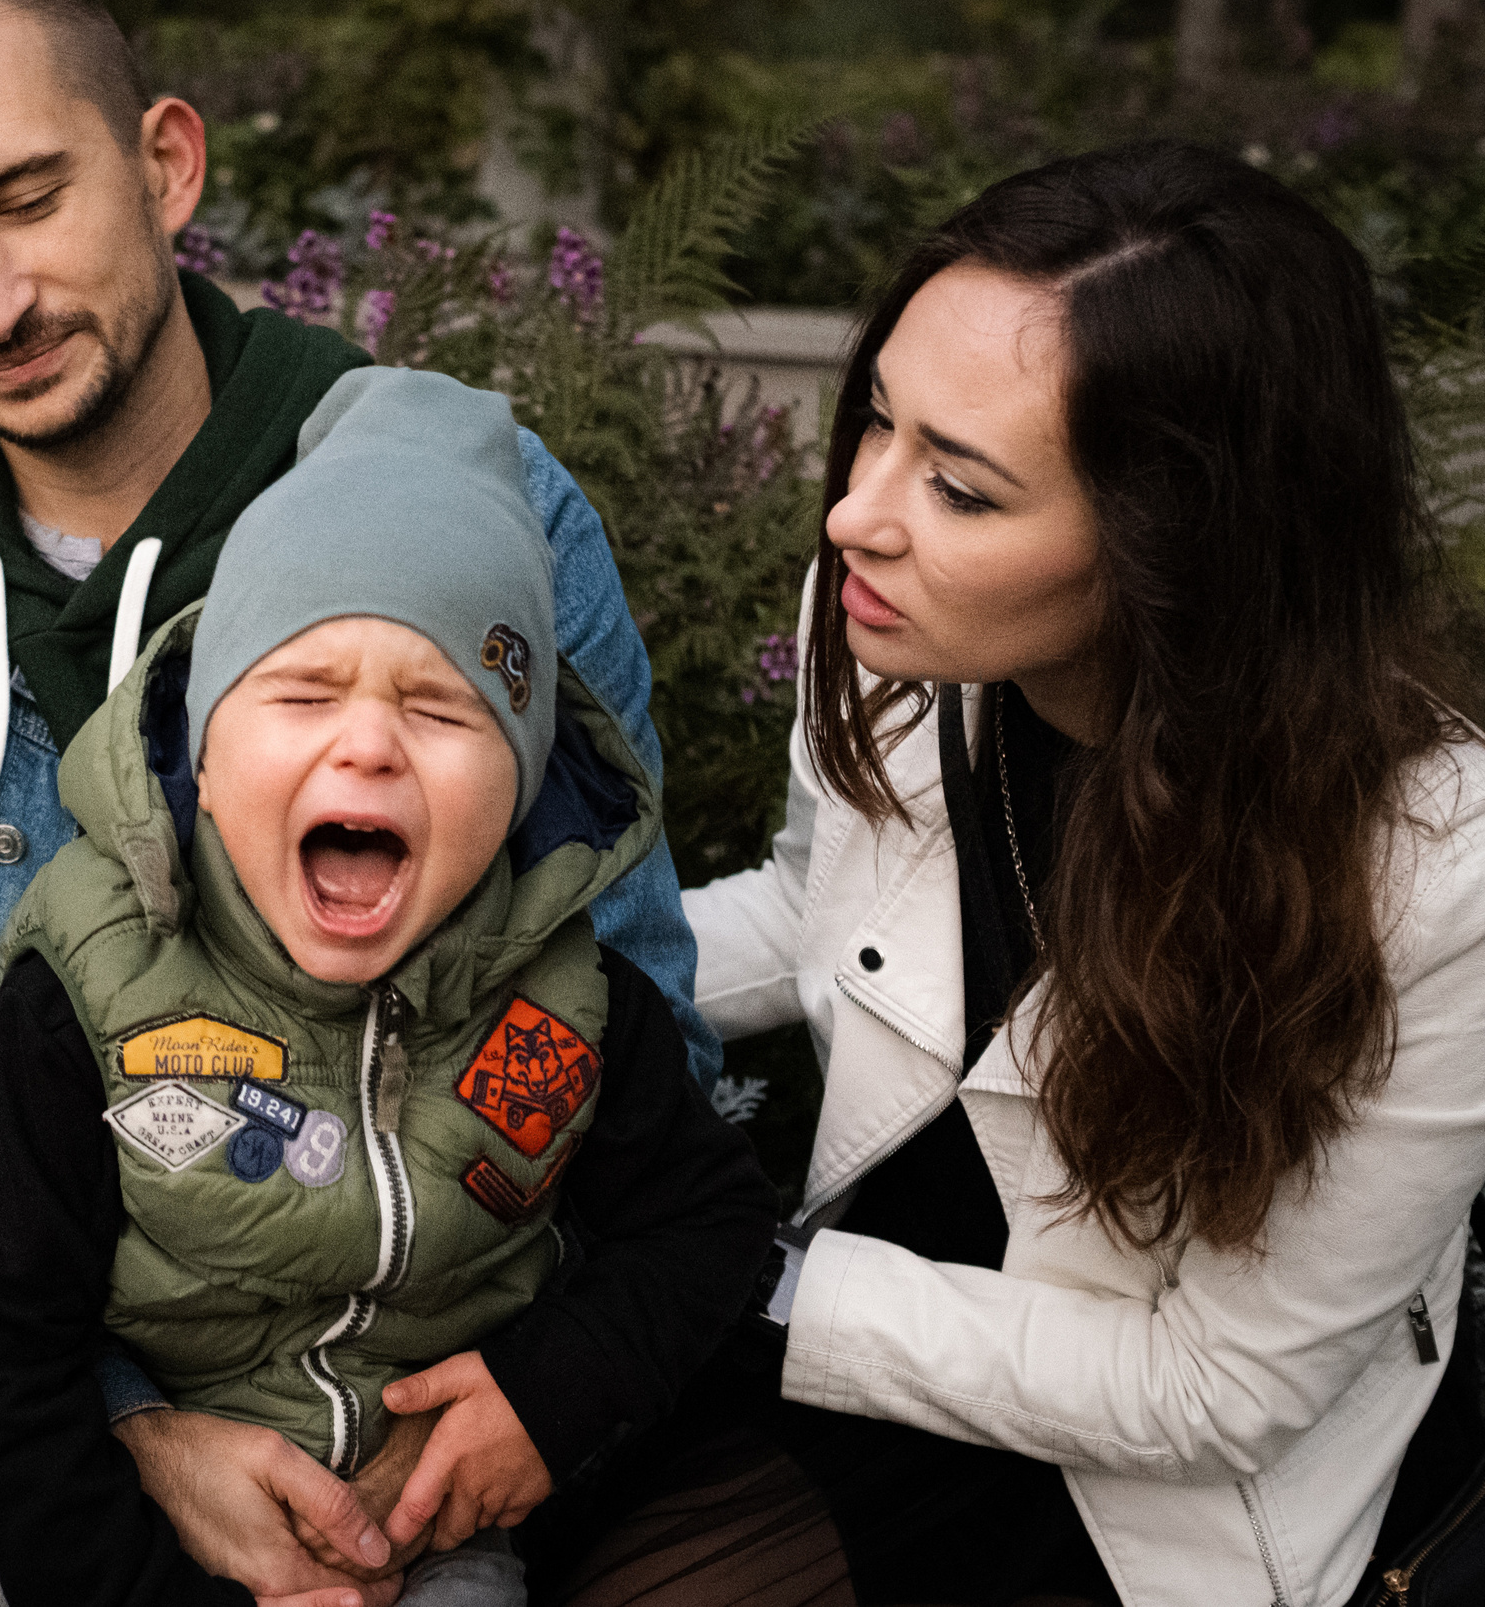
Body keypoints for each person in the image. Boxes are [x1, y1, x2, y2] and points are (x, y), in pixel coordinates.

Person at [0, 0, 719, 1607]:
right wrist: (113, 1422)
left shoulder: (463, 513)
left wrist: (551, 1384)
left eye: (25, 199)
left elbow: (621, 977)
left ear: (164, 166)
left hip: (408, 1267)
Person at [551, 141, 1485, 1607]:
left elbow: (1217, 1384)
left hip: (1135, 1473)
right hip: (866, 1310)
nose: (860, 510)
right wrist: (526, 972)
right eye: (876, 422)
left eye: (964, 488)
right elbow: (819, 906)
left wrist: (746, 1279)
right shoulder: (893, 629)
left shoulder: (1432, 875)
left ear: (1184, 546)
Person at [0, 367, 776, 1607]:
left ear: (523, 785)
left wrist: (548, 1392)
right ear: (204, 754)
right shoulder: (94, 983)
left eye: (441, 709)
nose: (366, 744)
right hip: (97, 1520)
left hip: (417, 1528)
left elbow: (708, 1227)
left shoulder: (566, 1002)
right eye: (302, 694)